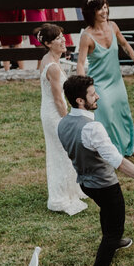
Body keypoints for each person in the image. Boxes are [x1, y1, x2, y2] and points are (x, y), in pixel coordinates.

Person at [58, 75, 134, 266]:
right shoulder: (92, 128)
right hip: (105, 185)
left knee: (107, 213)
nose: (97, 96)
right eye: (92, 94)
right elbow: (119, 162)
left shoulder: (64, 122)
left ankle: (114, 241)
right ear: (80, 101)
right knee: (114, 228)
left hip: (85, 183)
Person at [77, 0, 134, 157]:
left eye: (105, 7)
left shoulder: (113, 26)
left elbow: (124, 44)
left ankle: (129, 148)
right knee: (108, 118)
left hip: (116, 81)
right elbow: (81, 63)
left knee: (123, 113)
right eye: (99, 9)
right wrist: (83, 87)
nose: (104, 11)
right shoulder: (86, 37)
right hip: (99, 83)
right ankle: (111, 152)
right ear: (92, 13)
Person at [37, 23, 88, 216]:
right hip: (55, 113)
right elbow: (58, 99)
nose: (63, 40)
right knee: (61, 153)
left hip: (48, 111)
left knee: (61, 152)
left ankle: (70, 188)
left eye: (62, 36)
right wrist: (68, 121)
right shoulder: (53, 68)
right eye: (58, 38)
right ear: (49, 43)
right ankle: (60, 197)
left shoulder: (47, 59)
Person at [18, 0, 47, 67]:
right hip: (30, 19)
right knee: (36, 45)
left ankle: (40, 67)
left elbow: (42, 8)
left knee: (40, 44)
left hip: (38, 19)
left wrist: (33, 1)